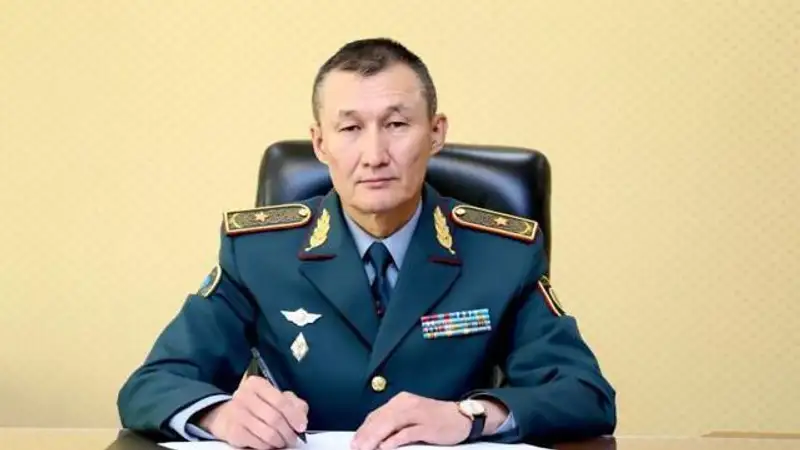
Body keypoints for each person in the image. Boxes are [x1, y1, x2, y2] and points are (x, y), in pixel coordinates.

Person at [117, 37, 616, 450]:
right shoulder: (257, 253)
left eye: (396, 124)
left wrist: (470, 416)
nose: (374, 154)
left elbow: (586, 394)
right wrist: (220, 415)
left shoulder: (503, 254)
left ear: (435, 133)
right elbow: (151, 384)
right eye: (350, 128)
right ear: (320, 143)